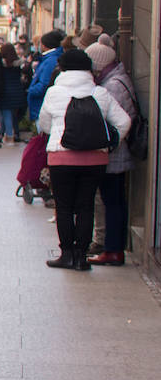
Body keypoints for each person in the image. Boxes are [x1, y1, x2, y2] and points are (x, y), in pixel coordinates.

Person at [36, 49, 131, 271]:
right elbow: (124, 121)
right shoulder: (101, 93)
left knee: (65, 207)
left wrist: (59, 136)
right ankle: (81, 256)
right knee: (86, 206)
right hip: (94, 159)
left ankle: (67, 254)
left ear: (63, 68)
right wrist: (109, 143)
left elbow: (45, 124)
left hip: (61, 157)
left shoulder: (54, 92)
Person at [85, 42, 138, 266]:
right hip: (116, 152)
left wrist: (107, 144)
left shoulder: (113, 85)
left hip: (114, 155)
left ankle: (113, 249)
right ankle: (113, 247)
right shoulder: (116, 79)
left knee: (112, 201)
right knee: (114, 200)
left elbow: (121, 120)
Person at [27, 30, 64, 121]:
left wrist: (30, 90)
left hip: (42, 104)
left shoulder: (50, 60)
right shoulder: (47, 59)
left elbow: (44, 84)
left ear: (44, 45)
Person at [0, 43, 30, 143]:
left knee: (5, 114)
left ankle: (9, 135)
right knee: (13, 115)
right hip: (17, 91)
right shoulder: (19, 63)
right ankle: (14, 133)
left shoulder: (1, 63)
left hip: (5, 91)